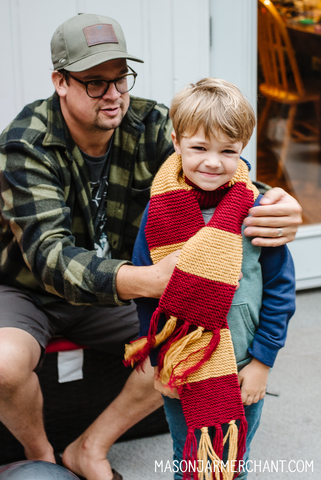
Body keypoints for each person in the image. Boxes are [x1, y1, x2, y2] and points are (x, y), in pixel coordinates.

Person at [0, 12, 300, 480]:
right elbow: (49, 259)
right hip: (32, 291)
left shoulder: (150, 122)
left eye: (120, 78)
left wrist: (275, 203)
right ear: (60, 81)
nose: (115, 94)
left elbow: (216, 169)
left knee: (184, 341)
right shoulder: (25, 144)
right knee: (3, 364)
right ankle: (41, 456)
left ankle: (89, 447)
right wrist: (154, 279)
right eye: (95, 83)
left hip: (119, 286)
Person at [126, 78, 296, 480]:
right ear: (176, 142)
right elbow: (148, 296)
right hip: (183, 364)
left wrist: (262, 363)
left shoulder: (256, 211)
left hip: (242, 366)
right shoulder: (159, 213)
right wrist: (160, 361)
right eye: (199, 148)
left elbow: (280, 290)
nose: (213, 162)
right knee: (187, 457)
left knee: (233, 459)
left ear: (243, 150)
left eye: (228, 151)